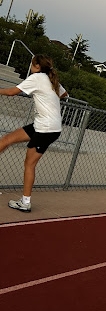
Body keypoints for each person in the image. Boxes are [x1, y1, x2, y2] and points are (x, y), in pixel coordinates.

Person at [0, 54, 68, 212]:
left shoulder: (37, 77)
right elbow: (64, 94)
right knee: (7, 139)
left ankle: (25, 202)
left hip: (47, 129)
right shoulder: (51, 80)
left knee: (29, 164)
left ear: (37, 66)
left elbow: (12, 92)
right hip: (42, 125)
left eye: (32, 64)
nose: (31, 66)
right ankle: (25, 201)